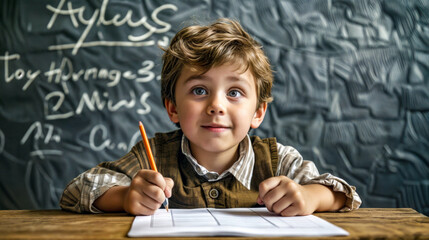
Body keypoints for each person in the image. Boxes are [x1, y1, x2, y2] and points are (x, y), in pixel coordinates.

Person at [60, 18, 361, 216]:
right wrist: (124, 197)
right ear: (173, 108)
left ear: (258, 112)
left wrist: (310, 198)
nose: (216, 106)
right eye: (200, 90)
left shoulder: (276, 160)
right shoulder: (152, 156)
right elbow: (76, 191)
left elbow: (344, 195)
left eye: (234, 93)